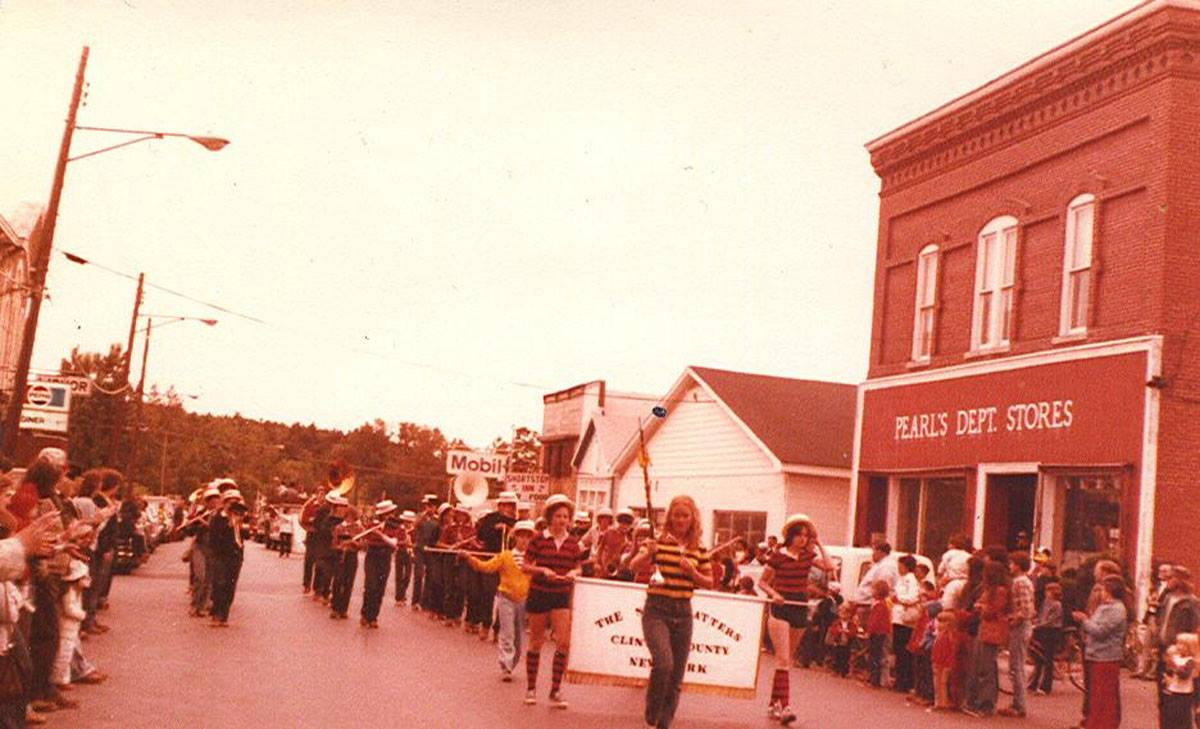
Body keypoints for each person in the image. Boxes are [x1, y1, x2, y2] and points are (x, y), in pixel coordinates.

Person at [628, 496, 712, 729]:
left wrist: (693, 572)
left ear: (692, 518)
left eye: (685, 515)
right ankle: (652, 712)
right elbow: (632, 566)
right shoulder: (658, 540)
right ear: (670, 517)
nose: (681, 520)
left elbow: (710, 582)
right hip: (657, 609)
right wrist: (647, 554)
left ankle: (665, 722)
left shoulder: (699, 547)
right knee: (664, 663)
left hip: (683, 612)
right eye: (676, 515)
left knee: (677, 674)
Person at [758, 514, 833, 725]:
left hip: (799, 607)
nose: (802, 539)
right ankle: (786, 706)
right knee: (782, 659)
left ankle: (774, 703)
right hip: (781, 607)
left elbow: (829, 567)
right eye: (799, 535)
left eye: (806, 536)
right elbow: (762, 582)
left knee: (786, 661)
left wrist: (818, 543)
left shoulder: (809, 556)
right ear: (790, 536)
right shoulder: (778, 556)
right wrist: (774, 594)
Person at [522, 494, 582, 709]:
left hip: (561, 594)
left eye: (566, 516)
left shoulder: (574, 543)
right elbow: (525, 566)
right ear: (550, 517)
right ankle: (531, 688)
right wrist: (542, 570)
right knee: (536, 641)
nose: (562, 520)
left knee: (563, 643)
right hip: (540, 592)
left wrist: (574, 573)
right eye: (558, 516)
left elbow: (578, 566)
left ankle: (555, 689)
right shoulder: (538, 539)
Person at [463, 520, 535, 681]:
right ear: (515, 538)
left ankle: (512, 662)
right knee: (507, 633)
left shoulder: (533, 560)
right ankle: (506, 665)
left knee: (518, 637)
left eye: (528, 537)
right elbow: (486, 567)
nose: (524, 540)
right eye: (521, 536)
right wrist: (470, 558)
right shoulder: (505, 556)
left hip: (523, 601)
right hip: (506, 598)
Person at [1074, 575, 1128, 729]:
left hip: (1106, 657)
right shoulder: (1105, 607)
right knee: (1096, 695)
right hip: (1096, 655)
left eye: (1104, 589)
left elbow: (1100, 631)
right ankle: (1095, 723)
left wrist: (1084, 620)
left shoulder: (1116, 609)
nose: (1101, 593)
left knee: (1103, 695)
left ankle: (1103, 724)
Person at [963, 559, 1010, 718]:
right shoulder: (990, 590)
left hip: (991, 631)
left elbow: (992, 611)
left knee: (986, 668)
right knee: (979, 665)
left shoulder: (999, 591)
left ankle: (986, 704)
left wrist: (980, 607)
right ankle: (978, 701)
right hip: (984, 629)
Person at [472, 492, 518, 638]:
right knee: (488, 592)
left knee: (504, 596)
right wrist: (494, 529)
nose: (509, 509)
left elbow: (519, 540)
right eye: (506, 505)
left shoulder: (515, 523)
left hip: (507, 561)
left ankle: (498, 628)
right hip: (491, 557)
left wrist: (509, 530)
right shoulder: (489, 519)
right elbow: (481, 536)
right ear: (500, 505)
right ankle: (485, 624)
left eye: (511, 506)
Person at [1000, 550, 1036, 717]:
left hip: (1020, 627)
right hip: (1023, 626)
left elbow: (1026, 609)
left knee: (1016, 666)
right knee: (1016, 664)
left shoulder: (1020, 582)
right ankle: (1017, 703)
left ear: (1019, 565)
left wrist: (1014, 619)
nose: (1010, 566)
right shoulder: (1025, 581)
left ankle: (1019, 705)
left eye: (1012, 563)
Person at [208, 489, 247, 627]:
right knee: (219, 584)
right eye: (231, 502)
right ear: (225, 503)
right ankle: (216, 613)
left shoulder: (239, 517)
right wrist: (227, 526)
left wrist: (241, 525)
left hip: (235, 556)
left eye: (236, 502)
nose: (233, 505)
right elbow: (213, 537)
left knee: (230, 586)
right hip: (220, 555)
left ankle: (224, 615)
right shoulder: (218, 518)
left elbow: (245, 537)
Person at [359, 500, 399, 628]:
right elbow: (365, 540)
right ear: (383, 515)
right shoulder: (372, 525)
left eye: (391, 513)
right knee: (370, 585)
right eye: (388, 514)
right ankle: (365, 615)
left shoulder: (393, 527)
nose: (390, 516)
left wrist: (380, 535)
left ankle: (373, 617)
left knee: (380, 588)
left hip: (385, 557)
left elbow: (394, 543)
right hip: (372, 556)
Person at [891, 554, 921, 693]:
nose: (899, 568)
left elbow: (913, 597)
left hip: (904, 619)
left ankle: (905, 682)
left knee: (903, 651)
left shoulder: (911, 580)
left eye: (901, 565)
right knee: (898, 650)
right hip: (897, 617)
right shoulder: (901, 579)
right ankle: (900, 679)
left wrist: (899, 599)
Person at [1029, 581, 1064, 696]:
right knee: (1039, 657)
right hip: (1043, 630)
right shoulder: (1046, 603)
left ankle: (1046, 686)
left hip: (1051, 632)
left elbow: (1051, 620)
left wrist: (1038, 625)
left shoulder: (1057, 605)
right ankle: (1035, 683)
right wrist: (1036, 622)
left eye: (1048, 591)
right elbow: (1041, 616)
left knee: (1048, 658)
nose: (1046, 593)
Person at [1160, 632, 1199, 729]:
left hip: (1184, 694)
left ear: (1189, 647)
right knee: (1170, 716)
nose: (1178, 646)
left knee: (1182, 718)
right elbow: (1170, 670)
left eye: (1182, 644)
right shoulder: (1176, 658)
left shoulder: (1190, 661)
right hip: (1173, 691)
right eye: (1178, 643)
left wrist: (1174, 665)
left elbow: (1184, 674)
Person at [329, 503, 360, 620]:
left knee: (348, 583)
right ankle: (335, 608)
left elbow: (362, 545)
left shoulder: (358, 528)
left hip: (352, 556)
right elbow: (333, 544)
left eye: (352, 516)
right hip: (340, 555)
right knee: (337, 581)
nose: (350, 518)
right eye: (348, 516)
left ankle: (343, 609)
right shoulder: (339, 528)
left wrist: (354, 543)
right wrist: (340, 546)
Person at [931, 609, 966, 711]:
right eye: (939, 621)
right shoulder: (939, 635)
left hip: (944, 662)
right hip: (937, 661)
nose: (940, 624)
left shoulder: (949, 636)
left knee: (943, 682)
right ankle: (939, 702)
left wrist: (949, 663)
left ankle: (943, 702)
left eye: (943, 622)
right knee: (937, 682)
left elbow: (950, 651)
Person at [409, 495, 440, 611]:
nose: (429, 508)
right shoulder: (421, 517)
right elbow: (415, 525)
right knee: (418, 574)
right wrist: (424, 514)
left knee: (430, 576)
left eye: (431, 506)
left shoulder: (437, 520)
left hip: (430, 550)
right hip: (420, 548)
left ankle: (425, 602)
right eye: (427, 505)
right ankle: (415, 601)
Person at [299, 483, 328, 593]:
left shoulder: (326, 507)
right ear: (316, 494)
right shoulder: (311, 505)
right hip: (312, 533)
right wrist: (314, 520)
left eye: (323, 493)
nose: (321, 496)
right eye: (319, 493)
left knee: (320, 561)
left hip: (322, 536)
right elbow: (304, 518)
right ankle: (307, 584)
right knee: (309, 560)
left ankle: (317, 586)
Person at [865, 579, 891, 688]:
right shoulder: (880, 604)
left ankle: (874, 680)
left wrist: (869, 631)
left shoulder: (880, 605)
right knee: (874, 655)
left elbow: (875, 621)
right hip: (879, 632)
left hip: (878, 633)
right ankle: (873, 678)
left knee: (875, 656)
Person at [827, 602, 858, 677]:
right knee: (837, 656)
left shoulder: (851, 624)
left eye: (846, 614)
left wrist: (848, 632)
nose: (844, 616)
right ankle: (836, 670)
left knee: (845, 657)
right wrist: (838, 631)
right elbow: (833, 630)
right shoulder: (837, 622)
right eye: (842, 613)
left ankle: (844, 671)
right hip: (838, 642)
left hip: (847, 643)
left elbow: (854, 632)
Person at [393, 510, 415, 606]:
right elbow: (396, 542)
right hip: (400, 552)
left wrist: (412, 544)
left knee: (407, 576)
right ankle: (399, 597)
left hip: (409, 553)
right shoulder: (400, 529)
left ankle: (403, 593)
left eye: (409, 521)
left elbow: (415, 542)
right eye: (406, 521)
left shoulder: (413, 530)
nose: (408, 523)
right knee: (399, 575)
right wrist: (404, 543)